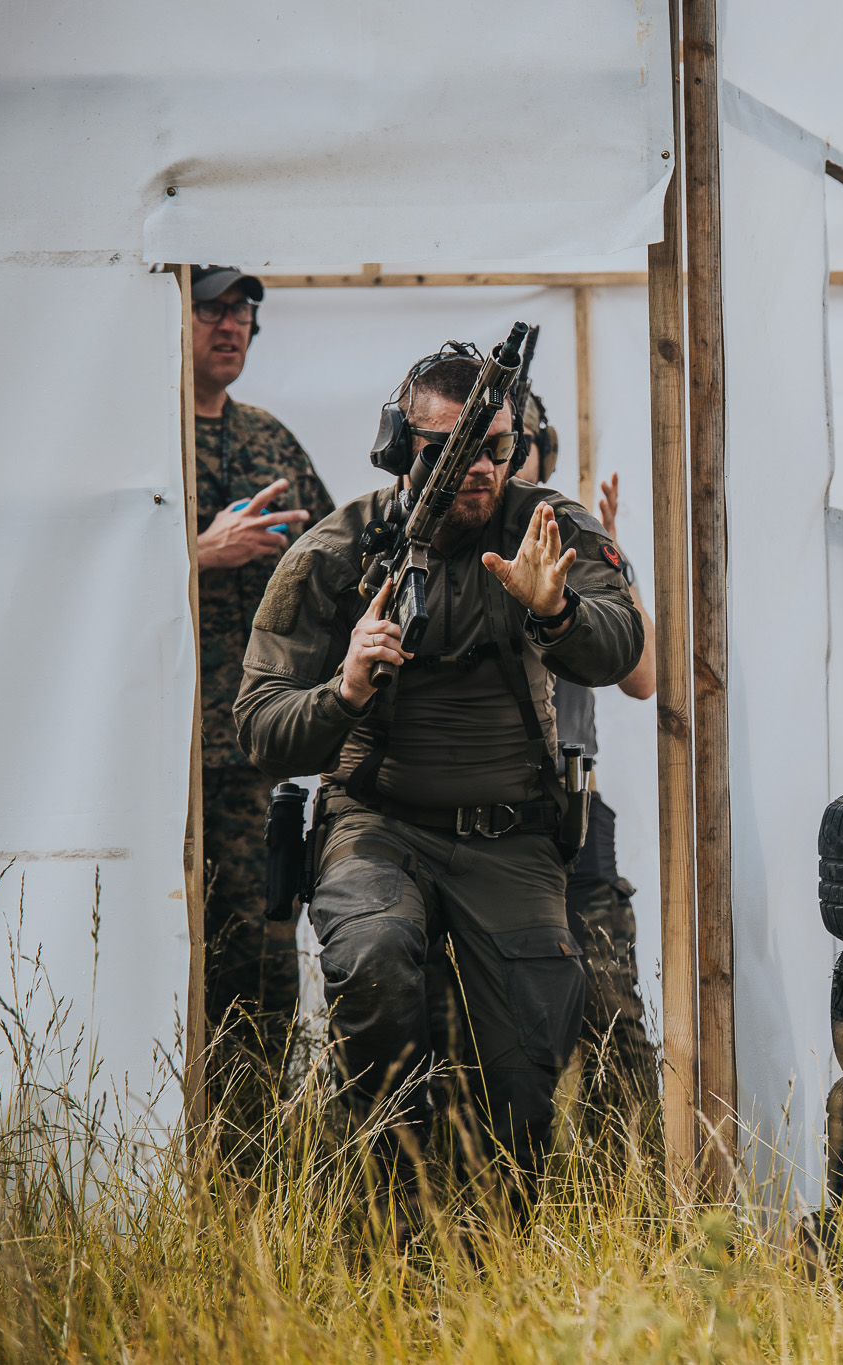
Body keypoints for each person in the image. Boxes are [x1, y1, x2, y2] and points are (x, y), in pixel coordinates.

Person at [233, 343, 643, 1195]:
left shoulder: (549, 530)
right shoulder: (338, 552)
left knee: (530, 1068)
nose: (482, 470)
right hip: (377, 825)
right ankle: (391, 1218)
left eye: (497, 448)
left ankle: (497, 1254)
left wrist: (556, 610)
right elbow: (262, 725)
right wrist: (344, 691)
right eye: (452, 452)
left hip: (513, 834)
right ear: (400, 448)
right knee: (375, 961)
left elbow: (627, 649)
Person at [186, 265, 335, 1120]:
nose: (232, 325)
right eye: (213, 307)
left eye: (244, 312)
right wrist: (196, 552)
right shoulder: (139, 438)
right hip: (155, 764)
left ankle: (253, 1155)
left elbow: (339, 566)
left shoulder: (271, 442)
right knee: (173, 954)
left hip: (252, 762)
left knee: (262, 963)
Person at [561, 470, 659, 1131]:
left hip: (573, 819)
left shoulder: (575, 551)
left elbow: (644, 676)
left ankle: (633, 1215)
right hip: (479, 829)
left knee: (616, 1037)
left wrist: (611, 559)